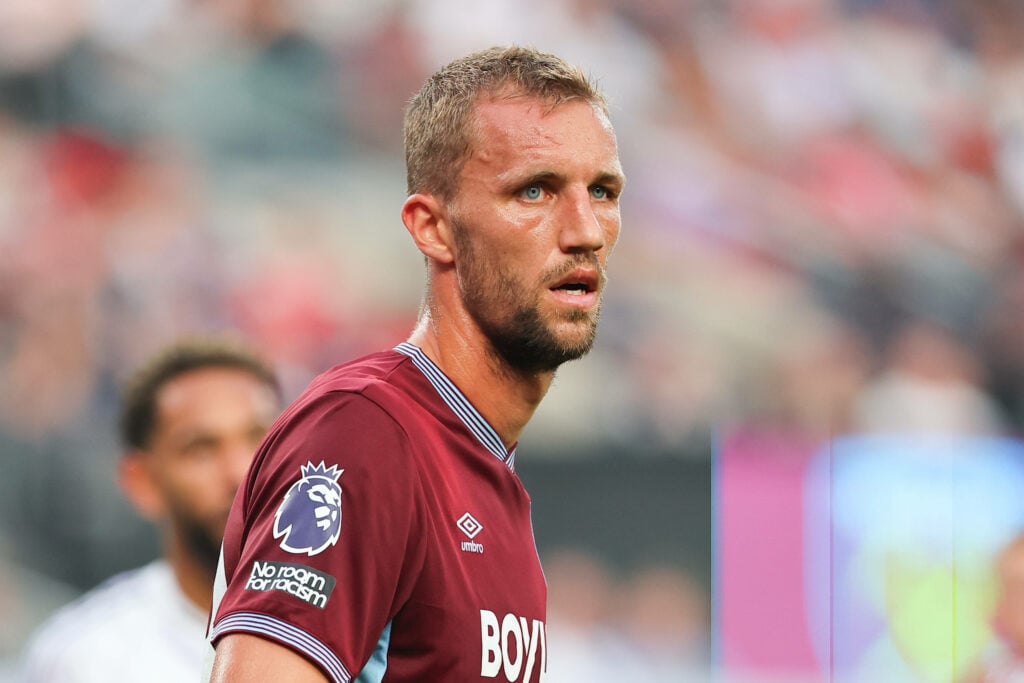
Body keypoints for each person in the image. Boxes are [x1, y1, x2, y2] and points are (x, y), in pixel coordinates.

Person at [204, 45, 626, 683]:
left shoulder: (482, 470)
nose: (586, 230)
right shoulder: (364, 433)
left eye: (602, 191)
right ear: (433, 228)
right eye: (534, 191)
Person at [20, 339, 282, 682]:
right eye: (200, 449)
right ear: (142, 482)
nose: (240, 472)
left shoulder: (350, 629)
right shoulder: (84, 660)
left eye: (260, 438)